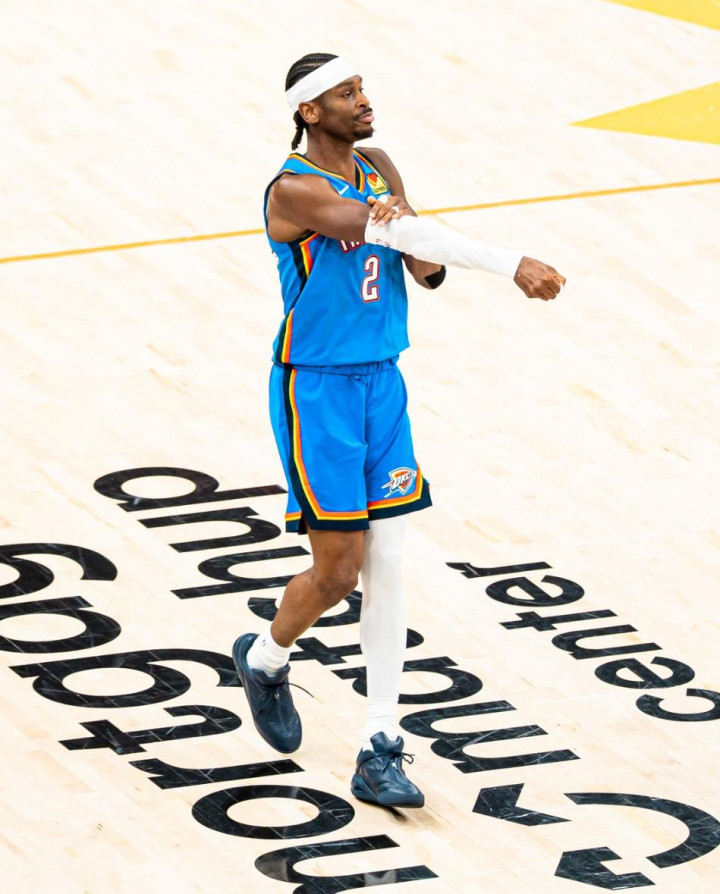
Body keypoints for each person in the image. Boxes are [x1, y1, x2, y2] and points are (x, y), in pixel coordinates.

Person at [233, 52, 565, 809]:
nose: (364, 100)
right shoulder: (294, 190)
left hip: (383, 383)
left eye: (363, 88)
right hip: (317, 389)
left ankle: (380, 744)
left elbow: (421, 260)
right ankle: (266, 656)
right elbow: (395, 235)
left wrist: (413, 235)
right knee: (337, 574)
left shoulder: (377, 164)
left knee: (389, 563)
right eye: (346, 93)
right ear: (309, 111)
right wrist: (510, 262)